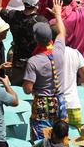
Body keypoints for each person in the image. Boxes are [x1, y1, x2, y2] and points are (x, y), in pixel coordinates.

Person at [23, 12, 68, 142]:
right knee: (60, 137)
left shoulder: (34, 61)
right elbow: (62, 32)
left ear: (36, 39)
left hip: (43, 103)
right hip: (59, 101)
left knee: (42, 140)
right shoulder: (59, 50)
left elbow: (27, 89)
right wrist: (58, 14)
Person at [0, 0, 47, 85]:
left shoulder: (13, 15)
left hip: (17, 64)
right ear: (37, 3)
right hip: (35, 65)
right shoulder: (41, 21)